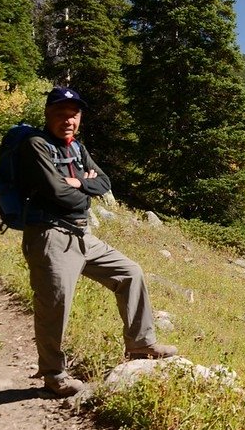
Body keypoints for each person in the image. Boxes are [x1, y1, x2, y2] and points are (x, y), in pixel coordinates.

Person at [17, 86, 177, 396]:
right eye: (61, 114)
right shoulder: (35, 145)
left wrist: (78, 183)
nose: (68, 120)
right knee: (55, 303)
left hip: (82, 235)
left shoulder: (77, 147)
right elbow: (59, 193)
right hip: (50, 236)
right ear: (48, 114)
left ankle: (141, 344)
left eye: (74, 115)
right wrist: (82, 186)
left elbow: (104, 182)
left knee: (130, 272)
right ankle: (54, 375)